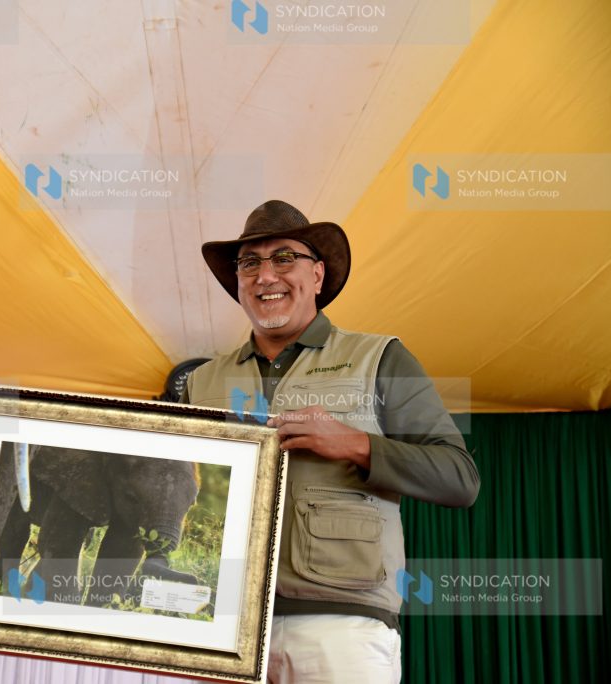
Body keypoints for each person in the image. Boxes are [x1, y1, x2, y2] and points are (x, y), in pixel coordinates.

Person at [183, 200, 480, 683]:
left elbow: (460, 479)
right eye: (249, 262)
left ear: (317, 274)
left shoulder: (380, 357)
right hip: (220, 625)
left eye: (284, 258)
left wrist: (355, 443)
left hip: (342, 625)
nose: (265, 275)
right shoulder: (202, 382)